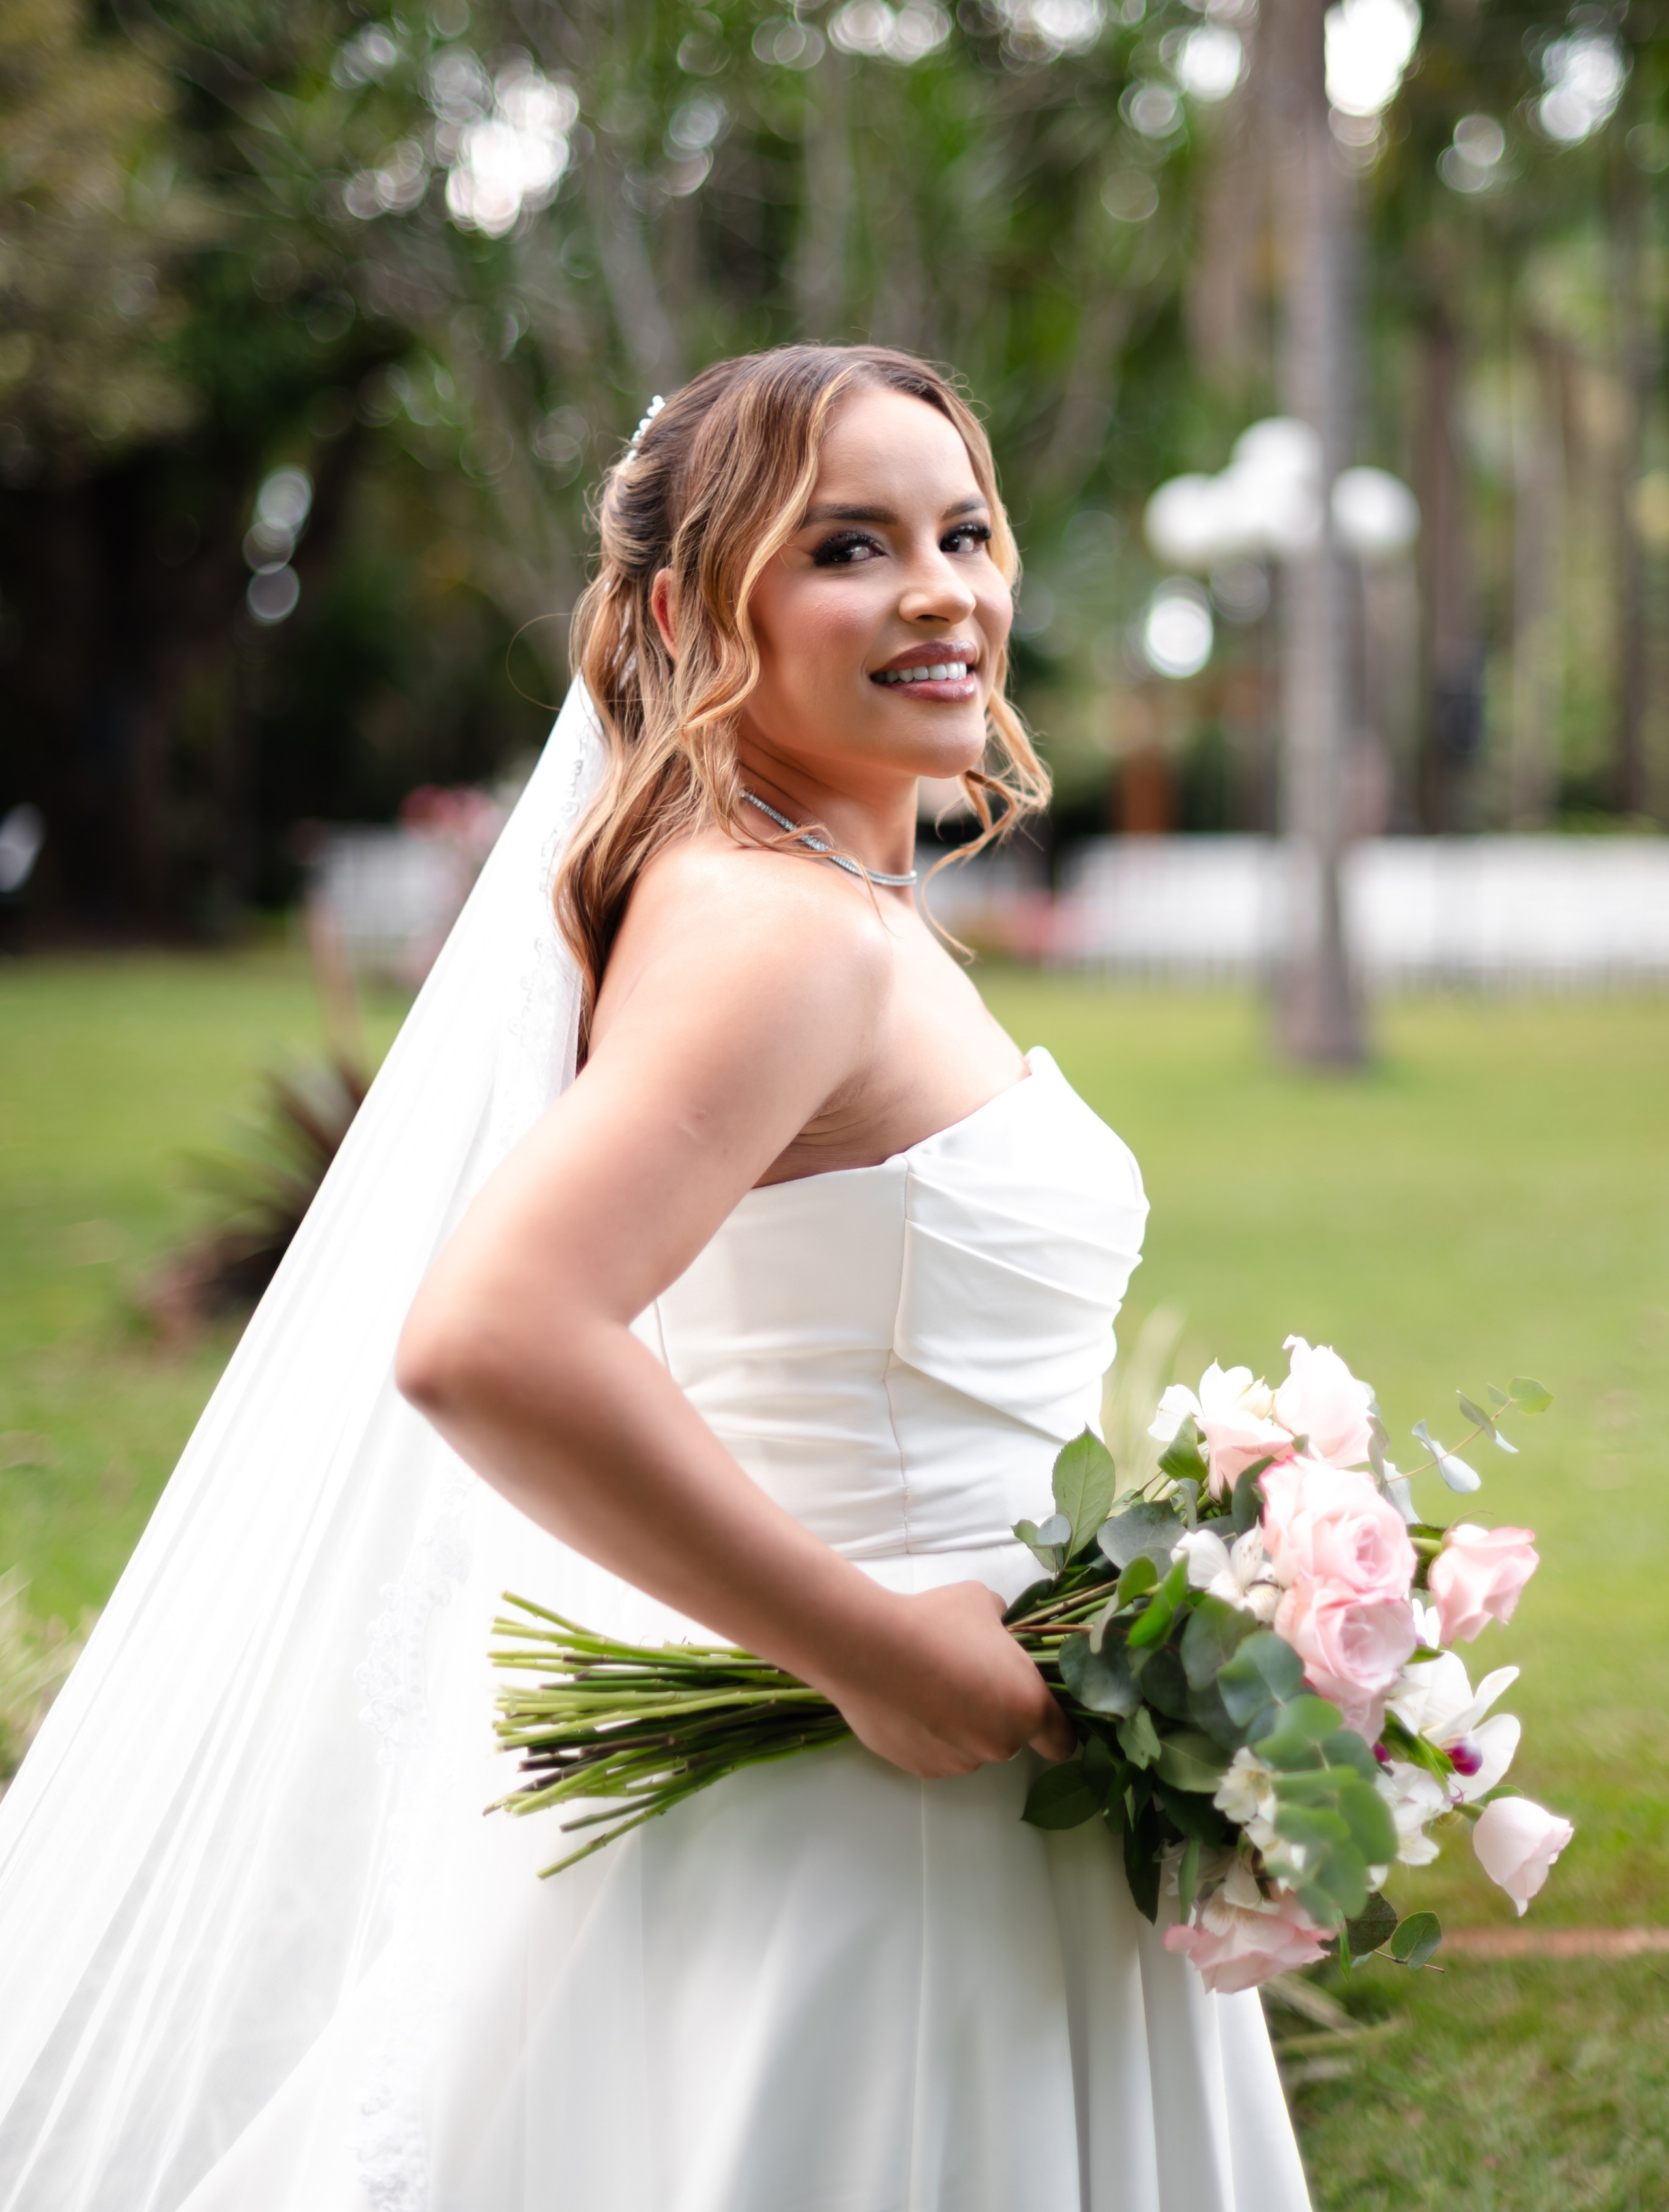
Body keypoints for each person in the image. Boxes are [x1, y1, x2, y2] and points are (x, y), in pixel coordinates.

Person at [0, 345, 1310, 2211]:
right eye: (849, 545)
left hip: (957, 1773)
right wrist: (877, 1653)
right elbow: (489, 1335)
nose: (942, 590)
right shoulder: (777, 933)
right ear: (696, 607)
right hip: (875, 1830)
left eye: (962, 529)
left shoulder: (809, 899)